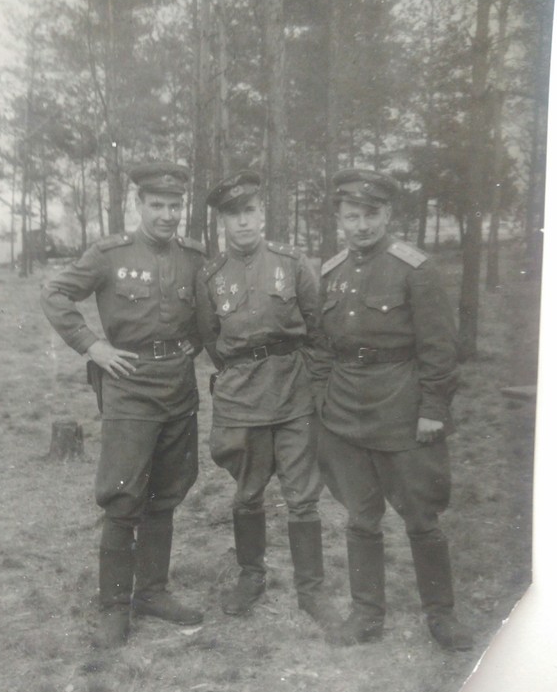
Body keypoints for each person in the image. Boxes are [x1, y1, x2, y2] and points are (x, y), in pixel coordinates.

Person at [40, 161, 205, 647]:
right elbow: (55, 293)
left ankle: (152, 592)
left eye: (174, 206)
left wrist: (195, 345)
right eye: (157, 205)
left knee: (166, 493)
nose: (167, 215)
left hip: (178, 385)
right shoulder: (109, 254)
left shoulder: (194, 256)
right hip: (129, 384)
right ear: (139, 205)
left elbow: (208, 312)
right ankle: (113, 607)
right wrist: (92, 345)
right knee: (123, 494)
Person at [312, 168, 472, 651]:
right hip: (344, 411)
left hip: (402, 407)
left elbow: (440, 348)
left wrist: (433, 408)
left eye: (371, 214)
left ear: (387, 215)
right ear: (339, 219)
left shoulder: (414, 269)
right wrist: (322, 402)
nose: (361, 225)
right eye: (352, 216)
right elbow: (321, 347)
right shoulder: (331, 272)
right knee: (360, 517)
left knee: (421, 517)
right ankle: (366, 615)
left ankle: (441, 615)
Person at [196, 169, 345, 644]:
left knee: (303, 496)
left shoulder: (292, 263)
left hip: (293, 391)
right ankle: (251, 576)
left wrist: (314, 387)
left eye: (249, 211)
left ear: (262, 214)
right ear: (223, 222)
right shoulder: (210, 276)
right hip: (241, 396)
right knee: (247, 492)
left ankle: (311, 590)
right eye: (233, 215)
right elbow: (210, 338)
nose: (242, 222)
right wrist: (240, 369)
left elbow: (317, 330)